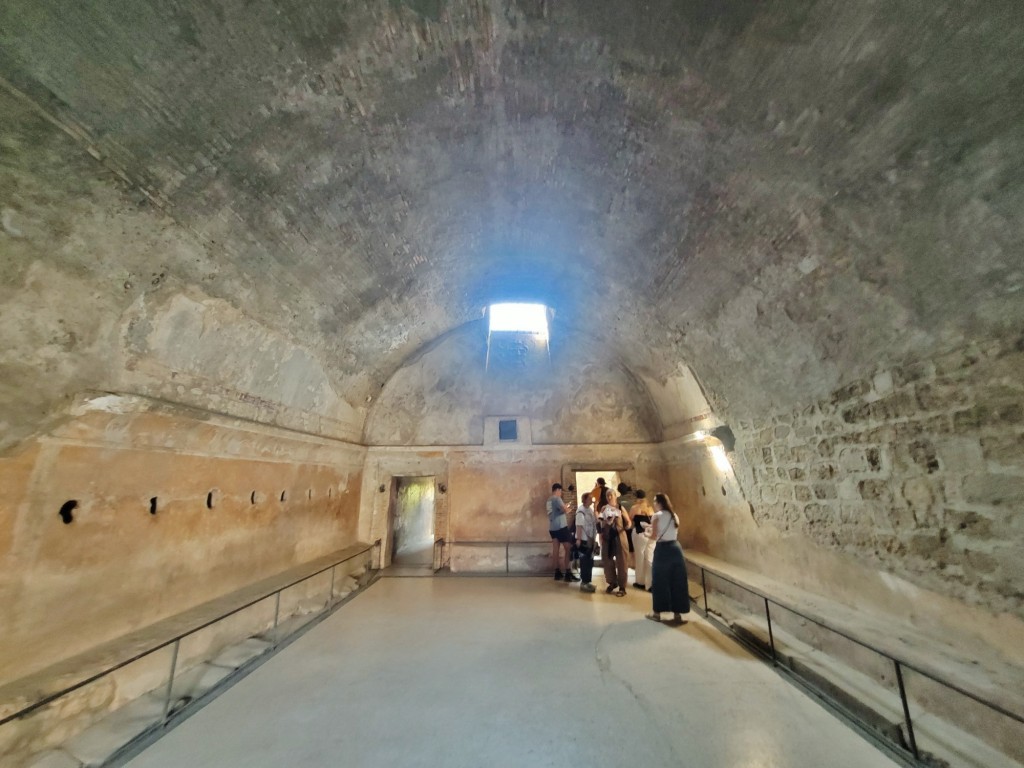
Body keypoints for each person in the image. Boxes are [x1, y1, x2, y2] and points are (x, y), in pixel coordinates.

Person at [646, 493, 690, 624]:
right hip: (676, 549)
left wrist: (646, 533)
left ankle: (657, 613)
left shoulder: (656, 516)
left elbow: (654, 536)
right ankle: (677, 615)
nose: (654, 504)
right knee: (677, 581)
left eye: (655, 502)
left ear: (659, 503)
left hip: (663, 550)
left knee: (660, 581)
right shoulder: (674, 515)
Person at [599, 487, 631, 596]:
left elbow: (628, 522)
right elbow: (600, 522)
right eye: (607, 495)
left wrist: (626, 527)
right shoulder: (604, 508)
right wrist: (606, 522)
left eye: (611, 495)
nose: (609, 497)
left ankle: (622, 587)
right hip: (608, 537)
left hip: (619, 536)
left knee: (622, 561)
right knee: (607, 560)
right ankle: (612, 582)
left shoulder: (620, 508)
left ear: (615, 496)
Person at [547, 483, 578, 582]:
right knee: (568, 548)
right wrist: (569, 508)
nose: (561, 494)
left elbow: (556, 512)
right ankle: (568, 573)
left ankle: (557, 572)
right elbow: (565, 510)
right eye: (560, 491)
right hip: (561, 527)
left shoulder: (549, 500)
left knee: (555, 550)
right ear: (558, 490)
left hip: (552, 528)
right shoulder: (557, 499)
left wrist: (565, 507)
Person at [629, 490, 655, 590]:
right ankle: (650, 583)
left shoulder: (635, 508)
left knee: (639, 557)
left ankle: (640, 582)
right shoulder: (650, 508)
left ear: (636, 497)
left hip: (640, 533)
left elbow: (630, 520)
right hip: (650, 534)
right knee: (649, 558)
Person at [575, 492, 598, 593]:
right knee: (584, 561)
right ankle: (584, 582)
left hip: (591, 539)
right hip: (584, 539)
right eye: (590, 498)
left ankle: (588, 581)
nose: (592, 500)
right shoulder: (581, 511)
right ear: (584, 500)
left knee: (590, 561)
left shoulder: (590, 510)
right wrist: (579, 539)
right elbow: (579, 526)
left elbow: (594, 522)